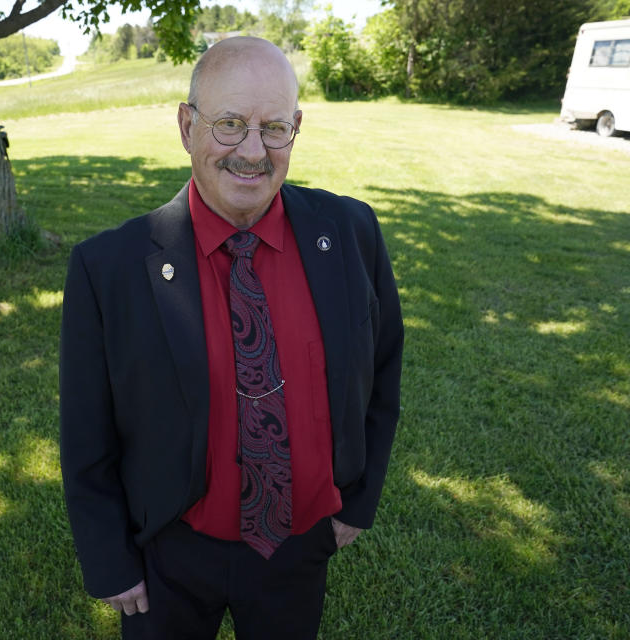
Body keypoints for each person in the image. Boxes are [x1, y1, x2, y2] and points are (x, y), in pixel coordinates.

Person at [60, 36, 403, 639]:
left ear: (296, 127)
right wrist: (109, 559)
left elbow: (381, 369)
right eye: (229, 124)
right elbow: (87, 431)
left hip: (298, 549)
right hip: (167, 553)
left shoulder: (350, 231)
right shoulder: (108, 268)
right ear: (186, 126)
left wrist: (358, 499)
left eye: (274, 128)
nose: (252, 151)